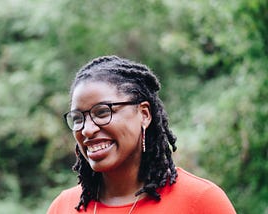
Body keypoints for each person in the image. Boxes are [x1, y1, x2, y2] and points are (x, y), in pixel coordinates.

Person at [47, 55, 236, 213]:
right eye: (78, 118)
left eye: (103, 112)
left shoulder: (200, 200)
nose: (87, 129)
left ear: (144, 114)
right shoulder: (63, 207)